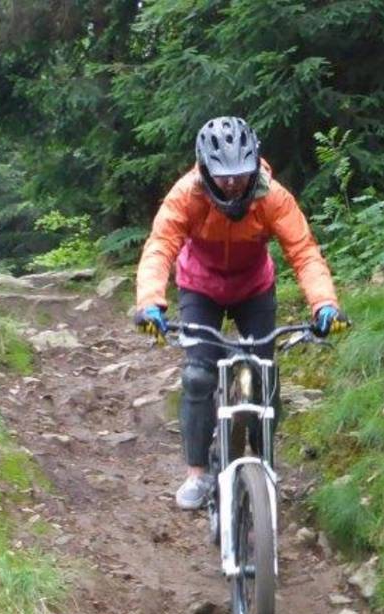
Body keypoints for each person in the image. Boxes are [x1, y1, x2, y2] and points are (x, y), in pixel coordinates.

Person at [133, 116, 348, 509]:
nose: (232, 183)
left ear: (253, 166)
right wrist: (150, 302)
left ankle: (263, 465)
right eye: (223, 176)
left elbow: (303, 251)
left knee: (264, 376)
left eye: (240, 174)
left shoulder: (272, 196)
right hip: (200, 287)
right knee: (198, 376)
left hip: (253, 288)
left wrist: (324, 304)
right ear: (205, 169)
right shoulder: (186, 194)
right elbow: (160, 245)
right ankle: (197, 474)